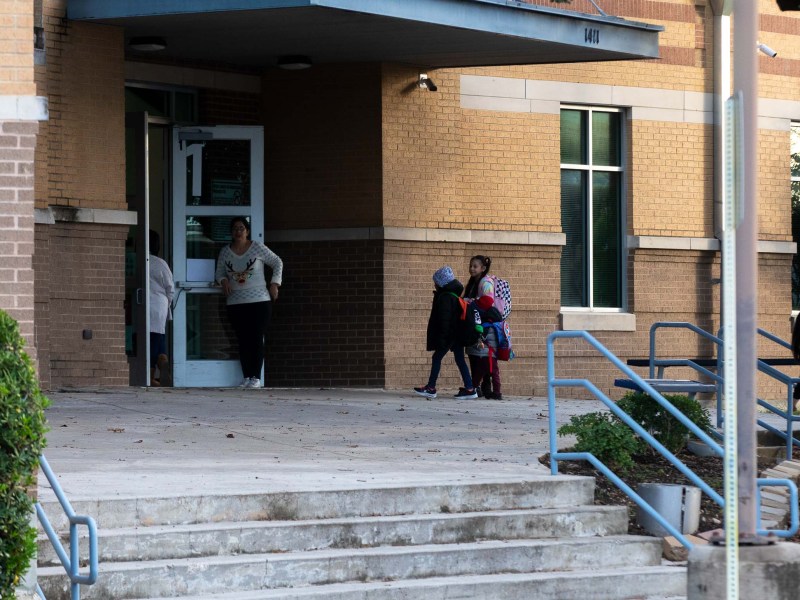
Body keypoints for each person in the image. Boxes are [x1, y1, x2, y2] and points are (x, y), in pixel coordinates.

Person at [215, 217, 283, 389]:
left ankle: (256, 377)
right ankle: (246, 377)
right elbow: (219, 272)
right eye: (235, 229)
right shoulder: (225, 252)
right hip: (236, 303)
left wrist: (274, 284)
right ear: (231, 232)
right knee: (243, 340)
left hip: (259, 301)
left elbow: (277, 262)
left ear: (247, 231)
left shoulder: (257, 247)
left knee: (256, 338)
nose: (238, 232)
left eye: (242, 228)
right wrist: (223, 281)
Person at [414, 266, 478, 400]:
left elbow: (445, 320)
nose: (435, 284)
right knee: (460, 359)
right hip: (457, 334)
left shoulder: (445, 298)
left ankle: (431, 388)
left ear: (442, 283)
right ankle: (470, 388)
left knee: (436, 358)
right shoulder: (454, 296)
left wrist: (442, 338)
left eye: (436, 282)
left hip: (449, 335)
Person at [462, 255, 502, 399]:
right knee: (476, 357)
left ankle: (483, 387)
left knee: (483, 358)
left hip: (485, 325)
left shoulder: (485, 282)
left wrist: (469, 302)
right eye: (471, 266)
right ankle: (482, 388)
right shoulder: (473, 282)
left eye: (475, 266)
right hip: (477, 323)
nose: (471, 269)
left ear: (483, 268)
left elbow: (487, 300)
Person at [148, 230, 174, 387]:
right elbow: (170, 288)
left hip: (142, 304)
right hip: (159, 304)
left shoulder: (139, 260)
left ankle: (149, 376)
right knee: (158, 338)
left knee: (146, 342)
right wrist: (167, 303)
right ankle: (163, 361)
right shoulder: (160, 263)